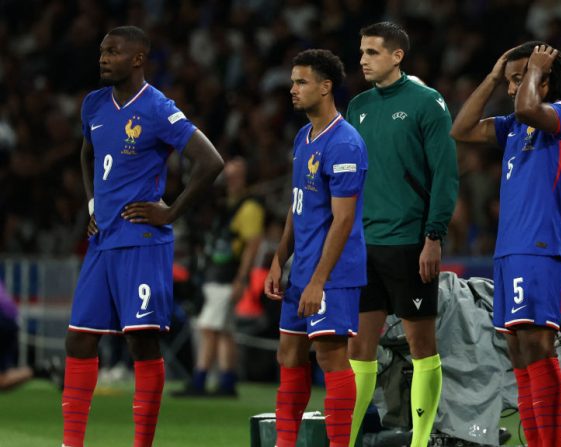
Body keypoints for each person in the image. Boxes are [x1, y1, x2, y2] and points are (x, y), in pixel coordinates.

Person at [62, 26, 223, 447]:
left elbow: (210, 162)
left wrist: (170, 211)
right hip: (103, 241)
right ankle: (71, 442)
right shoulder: (94, 104)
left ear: (137, 59)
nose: (103, 57)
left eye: (112, 52)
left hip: (141, 242)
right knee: (78, 339)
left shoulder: (157, 108)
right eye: (101, 51)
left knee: (141, 342)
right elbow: (87, 152)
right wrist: (93, 204)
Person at [451, 42, 561, 447]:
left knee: (538, 345)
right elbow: (461, 129)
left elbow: (529, 107)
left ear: (544, 80)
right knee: (517, 350)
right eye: (509, 82)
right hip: (508, 249)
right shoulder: (514, 125)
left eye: (518, 80)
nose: (511, 90)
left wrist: (532, 72)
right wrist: (494, 76)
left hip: (538, 244)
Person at [346, 22, 458, 447]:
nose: (363, 60)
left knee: (420, 344)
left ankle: (421, 440)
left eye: (372, 52)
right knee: (360, 349)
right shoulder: (357, 106)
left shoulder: (427, 103)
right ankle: (347, 438)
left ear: (397, 56)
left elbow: (446, 174)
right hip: (364, 245)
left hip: (409, 242)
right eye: (361, 52)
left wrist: (434, 235)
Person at [263, 48, 367, 447]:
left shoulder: (345, 143)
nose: (292, 89)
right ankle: (285, 442)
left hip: (334, 272)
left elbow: (343, 220)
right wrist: (278, 259)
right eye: (293, 81)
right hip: (301, 267)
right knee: (288, 355)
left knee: (329, 357)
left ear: (325, 87)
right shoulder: (303, 136)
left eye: (301, 81)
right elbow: (298, 204)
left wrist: (318, 281)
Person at [173, 157, 265, 397]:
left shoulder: (249, 207)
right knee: (223, 330)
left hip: (227, 275)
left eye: (236, 175)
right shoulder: (226, 204)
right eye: (229, 175)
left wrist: (241, 279)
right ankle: (227, 381)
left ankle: (200, 378)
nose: (230, 180)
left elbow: (252, 245)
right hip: (218, 273)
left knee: (208, 327)